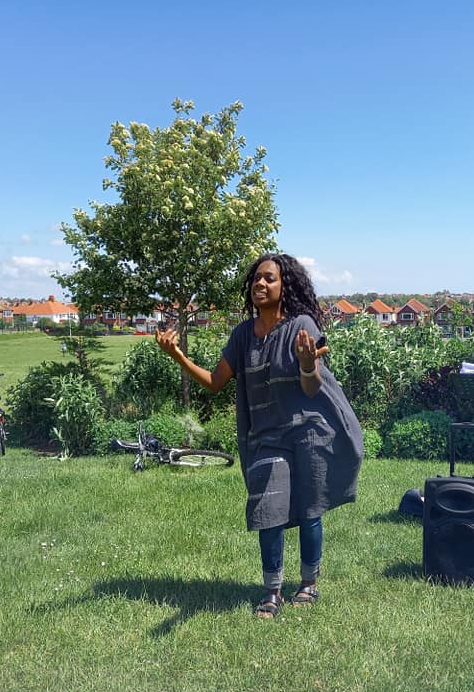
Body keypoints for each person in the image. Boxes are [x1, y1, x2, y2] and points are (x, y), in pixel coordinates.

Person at [155, 253, 363, 618]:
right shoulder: (242, 336)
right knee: (270, 511)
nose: (260, 284)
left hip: (307, 432)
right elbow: (217, 382)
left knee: (309, 509)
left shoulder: (302, 326)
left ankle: (309, 583)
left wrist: (306, 363)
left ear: (285, 287)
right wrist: (178, 357)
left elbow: (312, 388)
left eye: (269, 279)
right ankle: (272, 592)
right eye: (256, 279)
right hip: (266, 436)